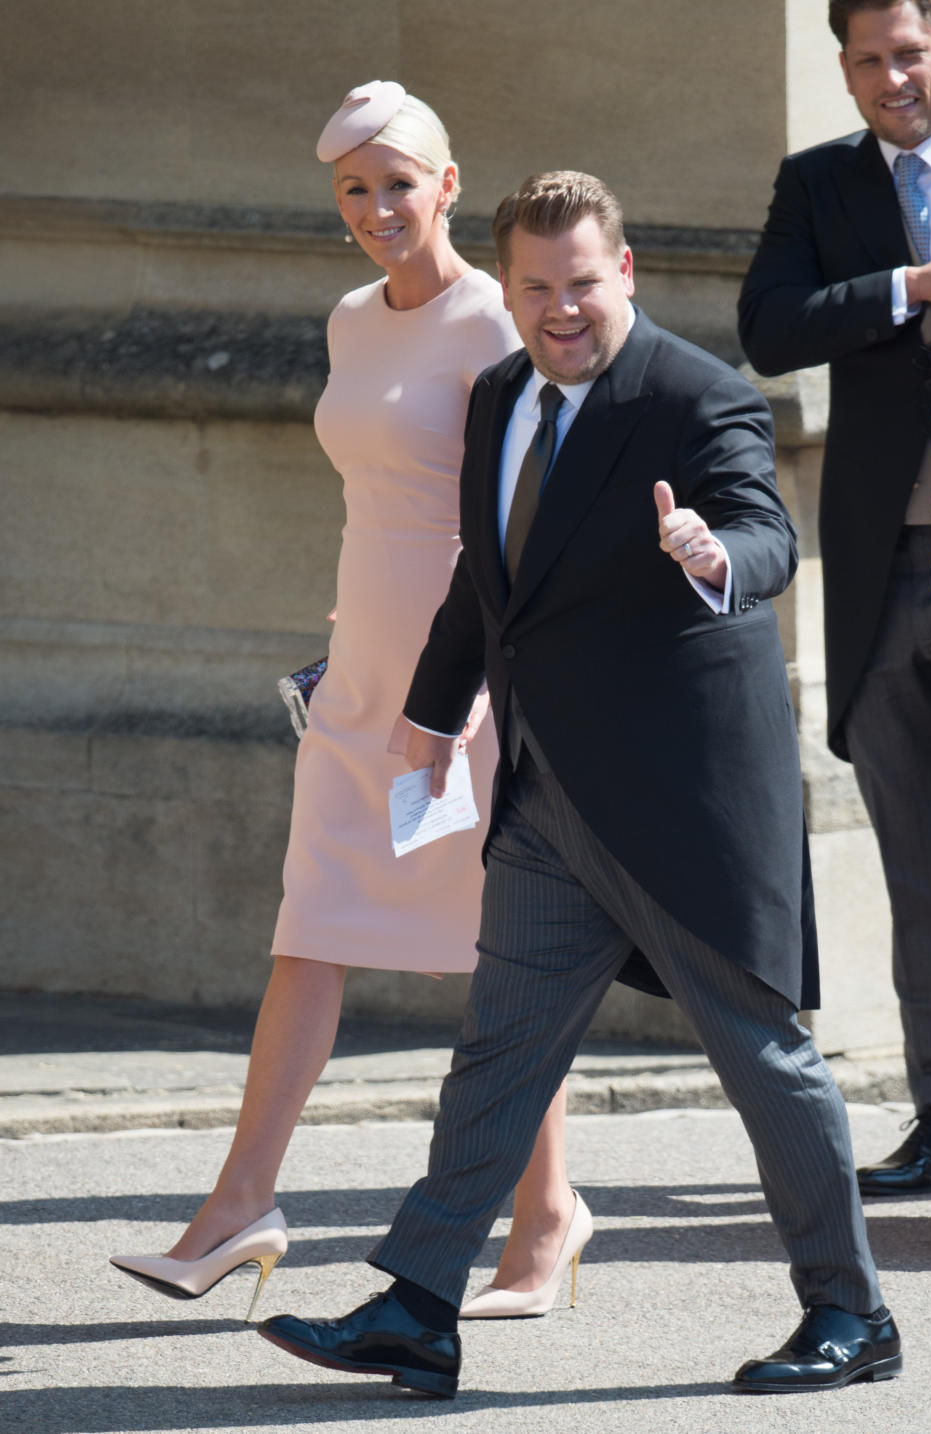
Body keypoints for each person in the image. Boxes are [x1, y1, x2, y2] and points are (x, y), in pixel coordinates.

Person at [256, 170, 898, 1398]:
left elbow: (767, 532)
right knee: (499, 1050)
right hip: (547, 801)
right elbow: (483, 585)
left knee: (764, 1057)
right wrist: (428, 721)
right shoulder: (500, 394)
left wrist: (716, 555)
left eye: (583, 284)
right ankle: (419, 1305)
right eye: (537, 287)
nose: (561, 310)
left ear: (629, 273)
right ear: (511, 287)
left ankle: (853, 1315)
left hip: (679, 807)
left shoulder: (698, 397)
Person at [109, 82, 587, 1325]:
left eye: (400, 182)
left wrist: (475, 688)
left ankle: (547, 1217)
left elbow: (518, 522)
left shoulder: (498, 322)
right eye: (354, 188)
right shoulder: (345, 320)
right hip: (357, 678)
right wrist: (344, 650)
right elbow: (370, 502)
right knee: (307, 928)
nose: (379, 208)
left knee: (504, 959)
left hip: (460, 685)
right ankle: (239, 1206)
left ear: (448, 182)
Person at [738, 0, 931, 1198]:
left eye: (909, 55)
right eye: (867, 61)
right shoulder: (818, 184)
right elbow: (767, 329)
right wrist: (914, 282)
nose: (890, 80)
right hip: (879, 565)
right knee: (918, 853)